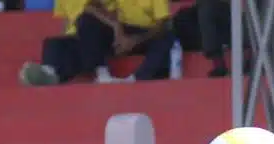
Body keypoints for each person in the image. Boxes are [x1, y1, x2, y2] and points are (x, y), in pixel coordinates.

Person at [19, 0, 171, 85]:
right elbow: (71, 18)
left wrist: (128, 37)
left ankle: (134, 79)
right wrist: (117, 29)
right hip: (108, 33)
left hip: (138, 32)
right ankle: (50, 73)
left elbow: (164, 24)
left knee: (166, 38)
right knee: (53, 43)